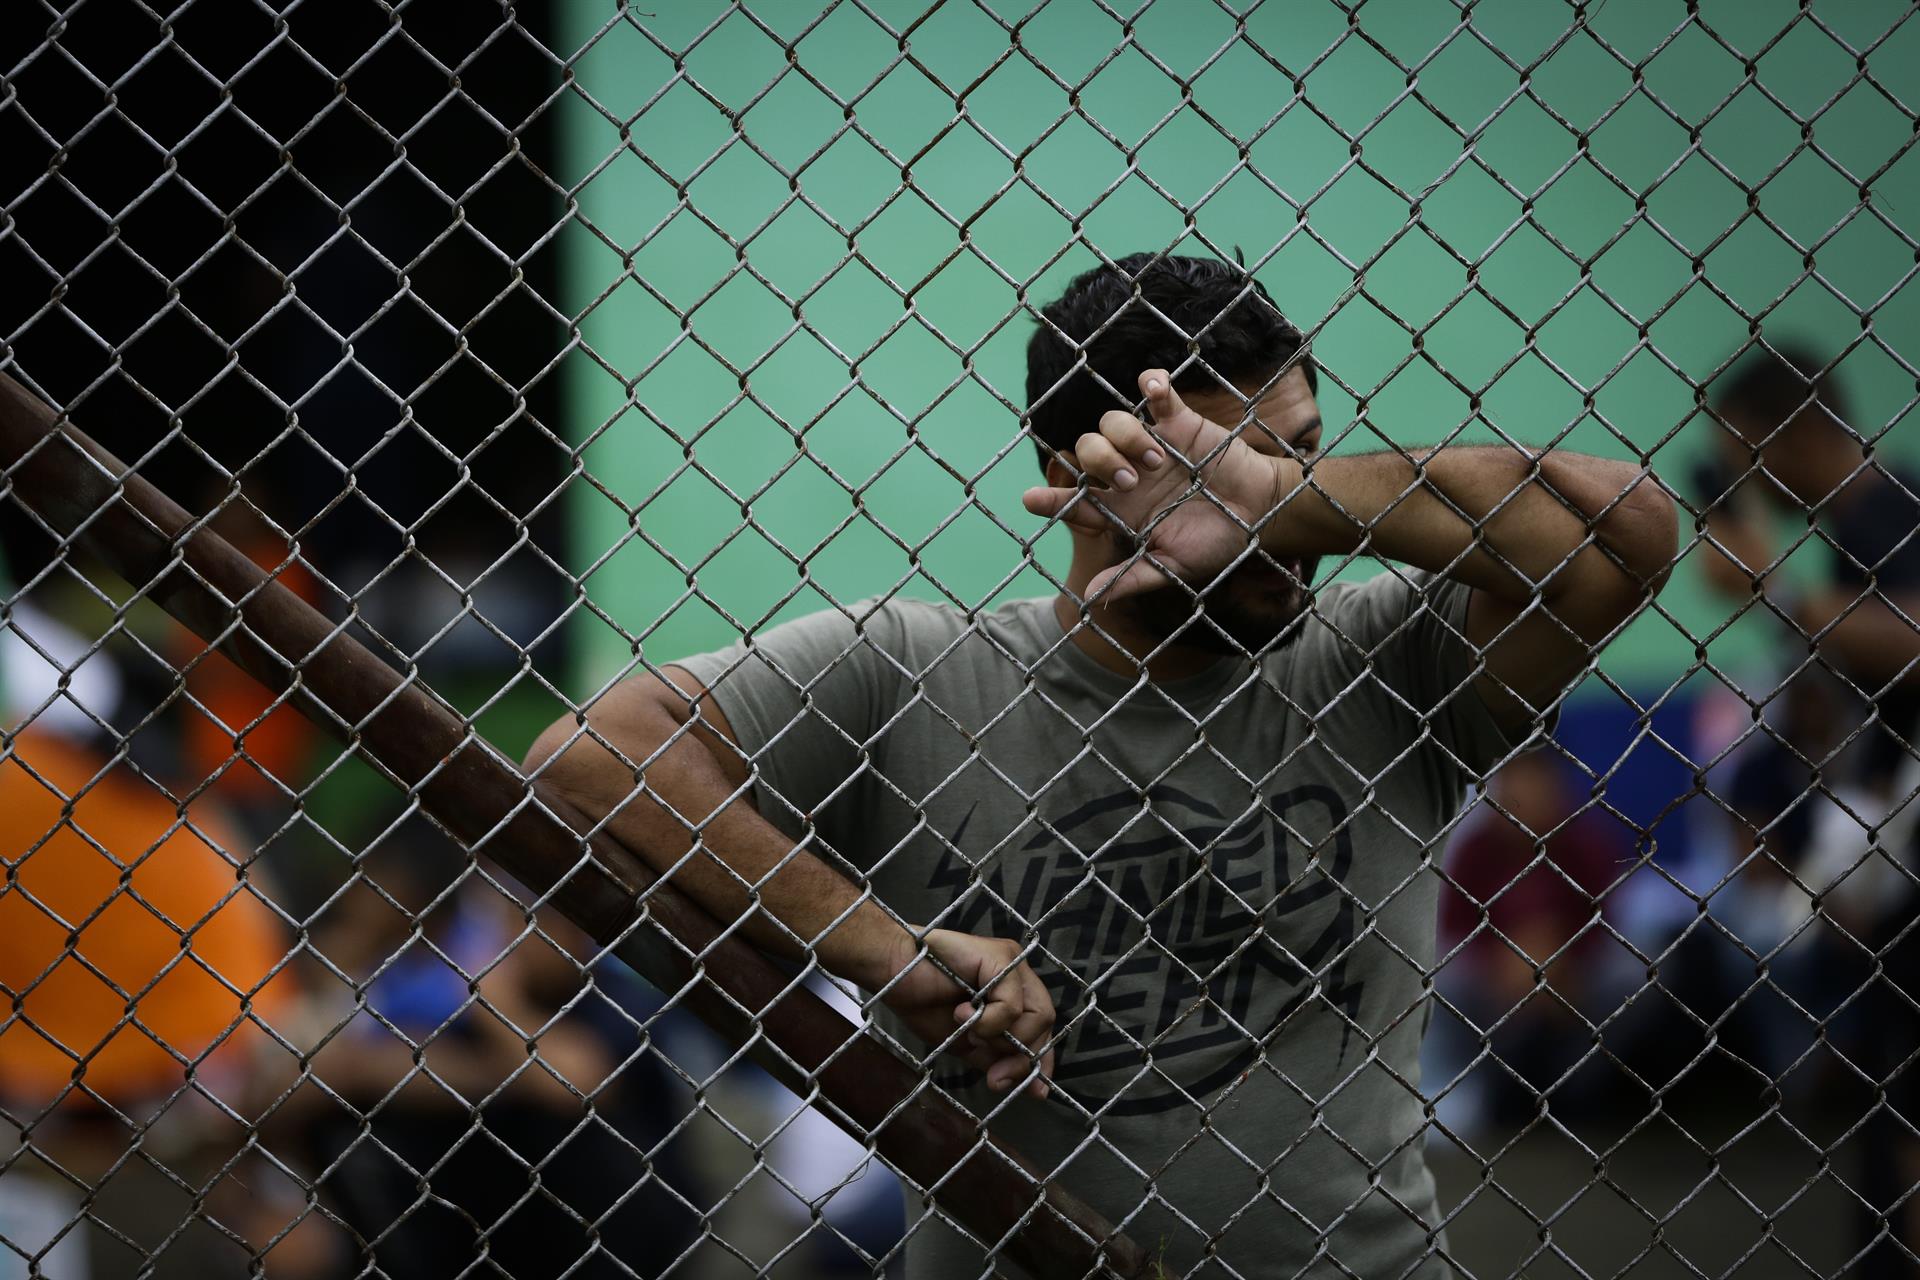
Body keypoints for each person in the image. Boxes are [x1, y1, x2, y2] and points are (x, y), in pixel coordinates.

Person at [525, 253, 1677, 1278]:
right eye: (1214, 463)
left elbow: (1626, 529)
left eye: (1296, 451)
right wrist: (883, 944)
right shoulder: (918, 672)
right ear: (1081, 472)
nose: (1275, 514)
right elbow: (590, 755)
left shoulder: (1383, 658)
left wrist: (1277, 502)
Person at [1692, 345, 1920, 1279]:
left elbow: (1913, 642)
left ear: (1775, 433)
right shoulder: (1853, 530)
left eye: (1739, 453)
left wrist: (1772, 590)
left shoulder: (1889, 511)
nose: (1740, 480)